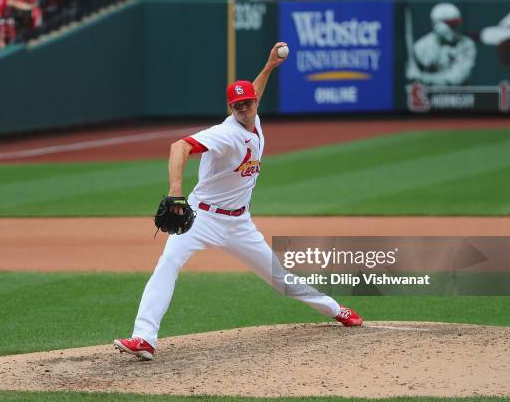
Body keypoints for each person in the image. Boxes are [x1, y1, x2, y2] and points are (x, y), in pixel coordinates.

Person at [114, 42, 363, 361]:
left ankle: (335, 309)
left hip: (239, 223)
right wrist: (176, 191)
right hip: (201, 218)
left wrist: (269, 66)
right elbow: (179, 146)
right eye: (237, 106)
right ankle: (144, 338)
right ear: (231, 108)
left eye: (248, 103)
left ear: (255, 103)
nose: (244, 108)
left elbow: (255, 89)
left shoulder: (254, 120)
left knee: (280, 278)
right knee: (168, 263)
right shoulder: (225, 134)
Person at [407, 3, 476, 86]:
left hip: (459, 96)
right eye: (450, 24)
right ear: (436, 24)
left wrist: (423, 78)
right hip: (428, 96)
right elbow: (411, 76)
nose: (455, 28)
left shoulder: (466, 44)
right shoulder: (421, 46)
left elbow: (457, 79)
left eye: (456, 24)